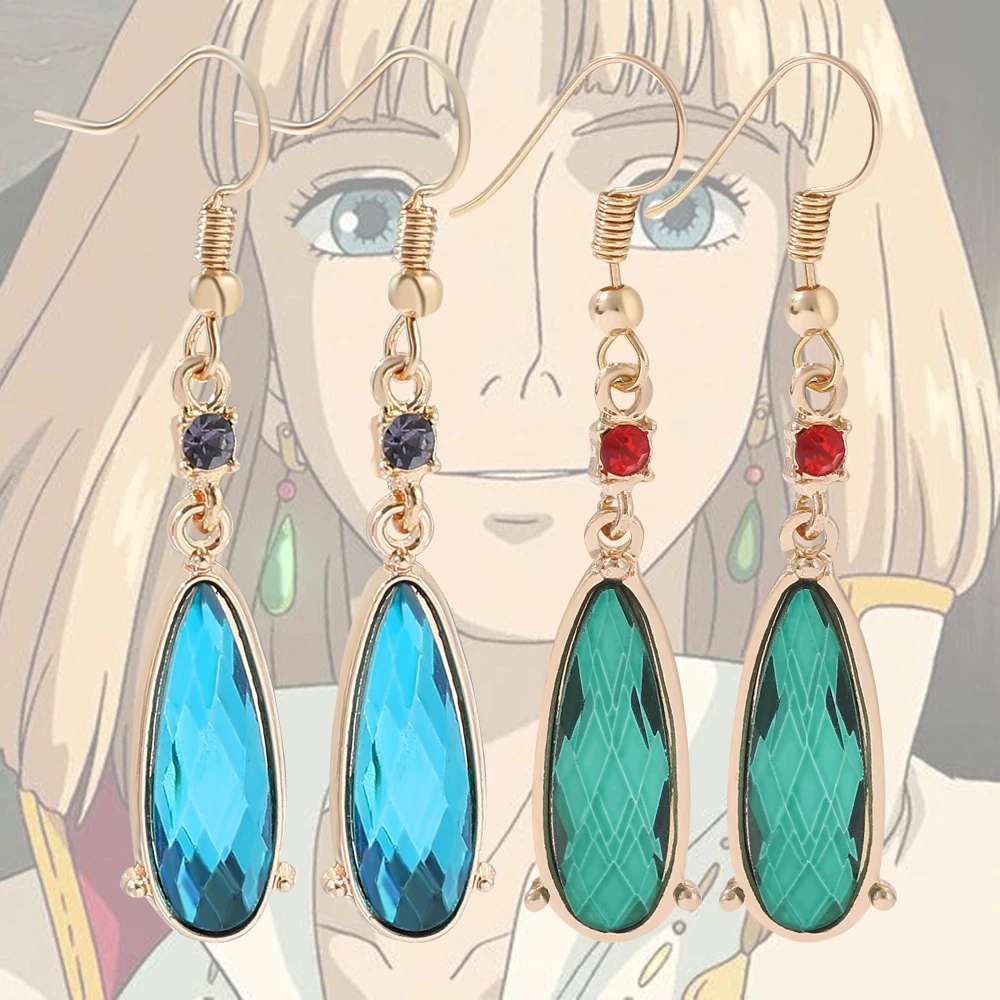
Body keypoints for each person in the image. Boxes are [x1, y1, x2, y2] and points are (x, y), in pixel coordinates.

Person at [0, 0, 995, 996]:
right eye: (367, 213)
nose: (524, 363)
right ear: (237, 306)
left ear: (799, 292)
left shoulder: (962, 916)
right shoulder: (45, 951)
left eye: (674, 208)